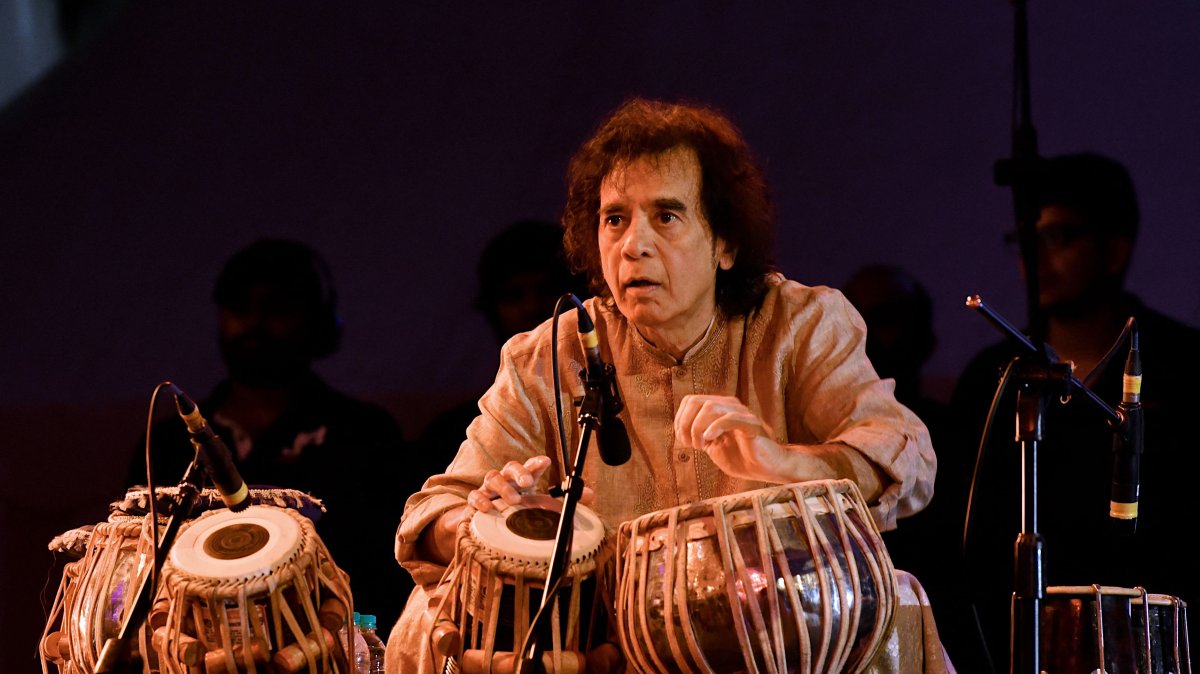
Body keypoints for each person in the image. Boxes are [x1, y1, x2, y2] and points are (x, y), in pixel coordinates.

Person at [385, 98, 941, 674]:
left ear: (724, 243)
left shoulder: (798, 326)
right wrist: (500, 525)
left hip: (770, 634)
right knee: (425, 620)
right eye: (614, 219)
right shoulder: (549, 356)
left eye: (666, 216)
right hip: (609, 640)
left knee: (893, 597)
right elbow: (433, 513)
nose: (633, 244)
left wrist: (783, 462)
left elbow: (907, 460)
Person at [947, 152, 1200, 672]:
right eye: (1025, 240)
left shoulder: (1184, 366)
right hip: (1021, 645)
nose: (1038, 257)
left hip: (1155, 642)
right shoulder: (992, 377)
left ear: (1115, 250)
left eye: (1061, 238)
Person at [125, 237, 412, 636]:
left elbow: (394, 572)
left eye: (277, 308)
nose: (255, 323)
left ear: (316, 321)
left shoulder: (363, 432)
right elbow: (133, 563)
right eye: (240, 308)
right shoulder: (171, 440)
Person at [411, 219, 590, 490]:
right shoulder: (450, 433)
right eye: (514, 295)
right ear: (492, 309)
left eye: (545, 291)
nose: (532, 307)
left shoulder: (609, 408)